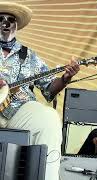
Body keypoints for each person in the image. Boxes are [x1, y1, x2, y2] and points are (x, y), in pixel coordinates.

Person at [0, 2, 79, 180]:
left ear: (16, 25)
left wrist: (66, 78)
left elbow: (49, 90)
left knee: (49, 118)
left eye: (10, 19)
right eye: (1, 19)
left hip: (18, 110)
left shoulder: (29, 56)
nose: (5, 23)